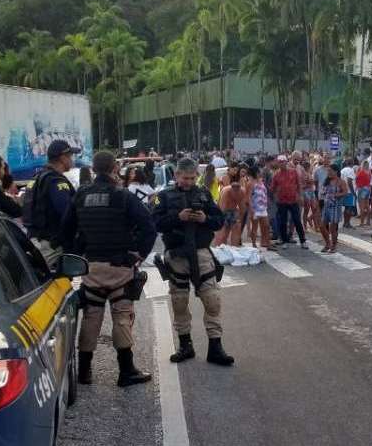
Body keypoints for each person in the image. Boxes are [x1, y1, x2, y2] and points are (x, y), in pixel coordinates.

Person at [61, 151, 155, 387]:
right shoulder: (122, 196)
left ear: (93, 169)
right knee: (122, 316)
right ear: (115, 168)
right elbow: (148, 227)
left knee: (91, 317)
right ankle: (126, 371)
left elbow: (66, 229)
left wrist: (78, 253)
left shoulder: (81, 196)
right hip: (119, 268)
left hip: (91, 268)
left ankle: (84, 371)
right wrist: (139, 255)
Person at [152, 158, 234, 367]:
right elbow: (155, 224)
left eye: (192, 178)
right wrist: (178, 218)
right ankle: (185, 345)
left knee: (212, 299)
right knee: (179, 301)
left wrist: (204, 219)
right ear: (176, 176)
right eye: (185, 178)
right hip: (177, 255)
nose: (188, 181)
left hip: (201, 252)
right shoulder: (163, 196)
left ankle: (215, 347)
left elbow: (219, 221)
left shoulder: (204, 194)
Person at [22, 140, 78, 266]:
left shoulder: (38, 177)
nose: (72, 159)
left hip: (35, 240)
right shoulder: (55, 181)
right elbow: (68, 213)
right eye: (70, 156)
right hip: (51, 247)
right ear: (63, 158)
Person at [271, 157, 306, 249]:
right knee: (283, 222)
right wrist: (276, 198)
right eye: (280, 162)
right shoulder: (276, 175)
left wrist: (301, 196)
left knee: (297, 220)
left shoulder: (294, 172)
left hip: (293, 200)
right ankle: (284, 241)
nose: (282, 164)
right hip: (282, 201)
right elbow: (273, 188)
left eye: (283, 162)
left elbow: (299, 185)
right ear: (278, 163)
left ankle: (303, 241)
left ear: (286, 162)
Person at [319, 167, 348, 253]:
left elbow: (345, 192)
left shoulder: (341, 181)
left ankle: (333, 245)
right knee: (321, 226)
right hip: (326, 205)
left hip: (335, 207)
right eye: (328, 171)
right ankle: (328, 243)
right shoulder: (326, 181)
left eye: (331, 171)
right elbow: (322, 192)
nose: (329, 173)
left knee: (332, 228)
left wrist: (336, 195)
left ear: (336, 171)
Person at [247, 166, 274, 250]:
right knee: (255, 227)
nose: (260, 173)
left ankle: (268, 244)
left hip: (263, 208)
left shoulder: (261, 181)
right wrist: (251, 209)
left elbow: (264, 193)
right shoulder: (251, 183)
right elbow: (248, 197)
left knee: (266, 226)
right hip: (255, 209)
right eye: (258, 172)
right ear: (255, 173)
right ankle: (254, 245)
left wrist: (267, 201)